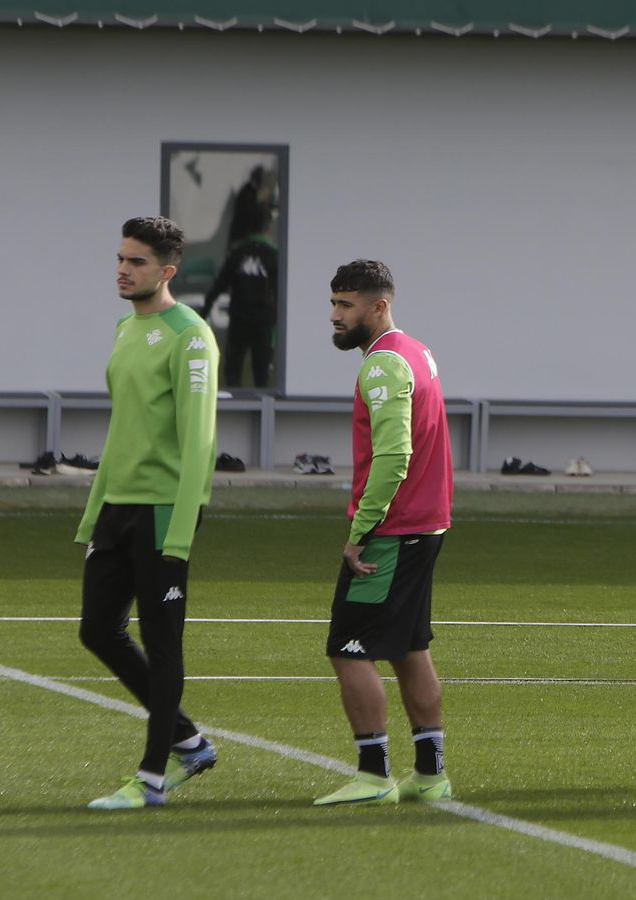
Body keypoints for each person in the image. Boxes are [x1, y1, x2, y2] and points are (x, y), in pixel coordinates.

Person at [77, 217, 221, 810]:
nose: (122, 269)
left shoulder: (191, 336)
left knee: (163, 647)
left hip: (165, 514)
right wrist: (92, 518)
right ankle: (189, 739)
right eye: (119, 258)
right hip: (117, 510)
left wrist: (181, 533)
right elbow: (121, 431)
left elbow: (199, 442)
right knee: (96, 630)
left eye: (135, 262)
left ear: (166, 271)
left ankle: (153, 777)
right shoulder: (123, 328)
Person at [313, 259, 455, 806]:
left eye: (346, 305)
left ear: (379, 306)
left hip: (392, 531)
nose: (334, 316)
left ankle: (373, 775)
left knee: (350, 649)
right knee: (409, 648)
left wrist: (360, 530)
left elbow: (394, 457)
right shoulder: (418, 352)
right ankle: (430, 773)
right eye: (333, 304)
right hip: (426, 523)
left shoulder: (381, 366)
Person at [200, 167, 278, 388]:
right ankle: (263, 409)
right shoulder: (273, 256)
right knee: (261, 372)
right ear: (268, 228)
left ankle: (232, 405)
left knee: (233, 369)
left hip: (240, 319)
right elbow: (282, 292)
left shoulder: (238, 254)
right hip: (263, 320)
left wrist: (203, 312)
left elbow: (218, 285)